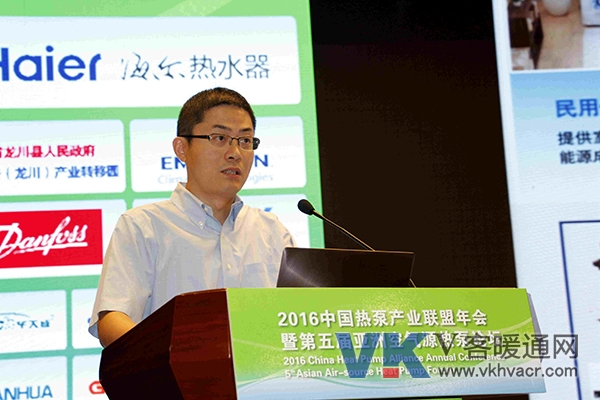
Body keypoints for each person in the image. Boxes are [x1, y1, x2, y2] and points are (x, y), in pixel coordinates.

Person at [89, 87, 296, 347]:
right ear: (181, 148)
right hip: (172, 372)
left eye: (245, 140)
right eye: (219, 137)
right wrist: (170, 355)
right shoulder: (144, 226)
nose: (235, 152)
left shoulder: (272, 231)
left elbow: (301, 317)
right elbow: (112, 319)